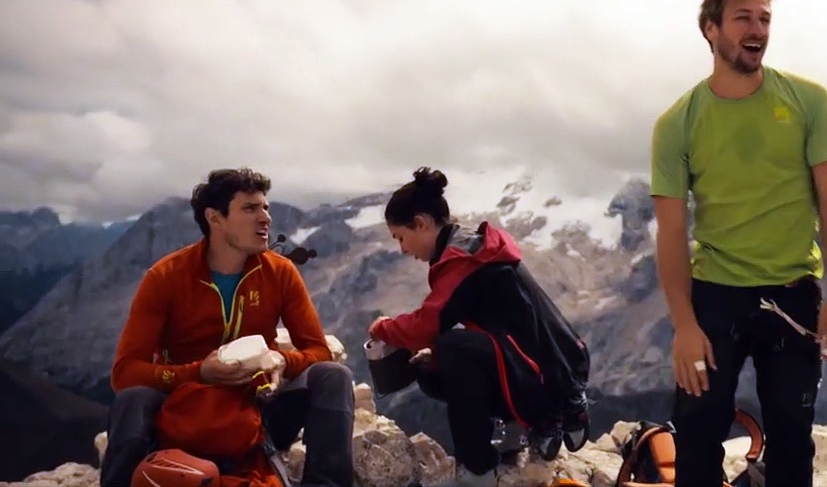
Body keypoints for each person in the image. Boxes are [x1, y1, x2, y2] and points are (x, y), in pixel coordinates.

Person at [649, 0, 827, 487]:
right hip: (714, 296)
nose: (757, 29)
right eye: (743, 18)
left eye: (764, 18)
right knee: (698, 432)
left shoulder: (808, 101)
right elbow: (670, 231)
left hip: (793, 294)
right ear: (711, 29)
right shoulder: (677, 123)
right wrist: (684, 325)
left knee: (792, 436)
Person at [103, 167, 355, 487]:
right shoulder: (166, 277)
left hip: (259, 410)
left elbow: (318, 350)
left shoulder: (280, 272)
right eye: (250, 209)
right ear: (215, 218)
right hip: (183, 415)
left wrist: (282, 360)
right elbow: (125, 373)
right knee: (133, 399)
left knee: (333, 376)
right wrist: (199, 373)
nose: (266, 218)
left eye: (265, 207)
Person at [368, 167, 592, 487]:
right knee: (433, 367)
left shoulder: (463, 260)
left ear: (421, 223)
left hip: (540, 380)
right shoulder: (475, 248)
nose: (403, 249)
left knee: (453, 348)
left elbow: (426, 325)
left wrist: (383, 328)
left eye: (401, 237)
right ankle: (518, 431)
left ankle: (476, 470)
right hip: (547, 372)